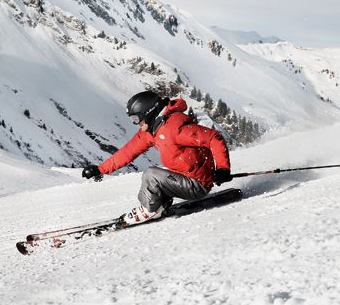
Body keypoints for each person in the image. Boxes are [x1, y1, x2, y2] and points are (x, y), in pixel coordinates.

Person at [82, 90, 232, 225]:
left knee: (151, 175)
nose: (136, 123)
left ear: (148, 113)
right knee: (158, 175)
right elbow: (128, 152)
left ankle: (150, 209)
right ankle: (159, 204)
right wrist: (100, 169)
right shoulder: (152, 131)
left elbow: (213, 137)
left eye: (136, 119)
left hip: (196, 184)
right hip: (183, 178)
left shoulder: (174, 129)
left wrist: (223, 169)